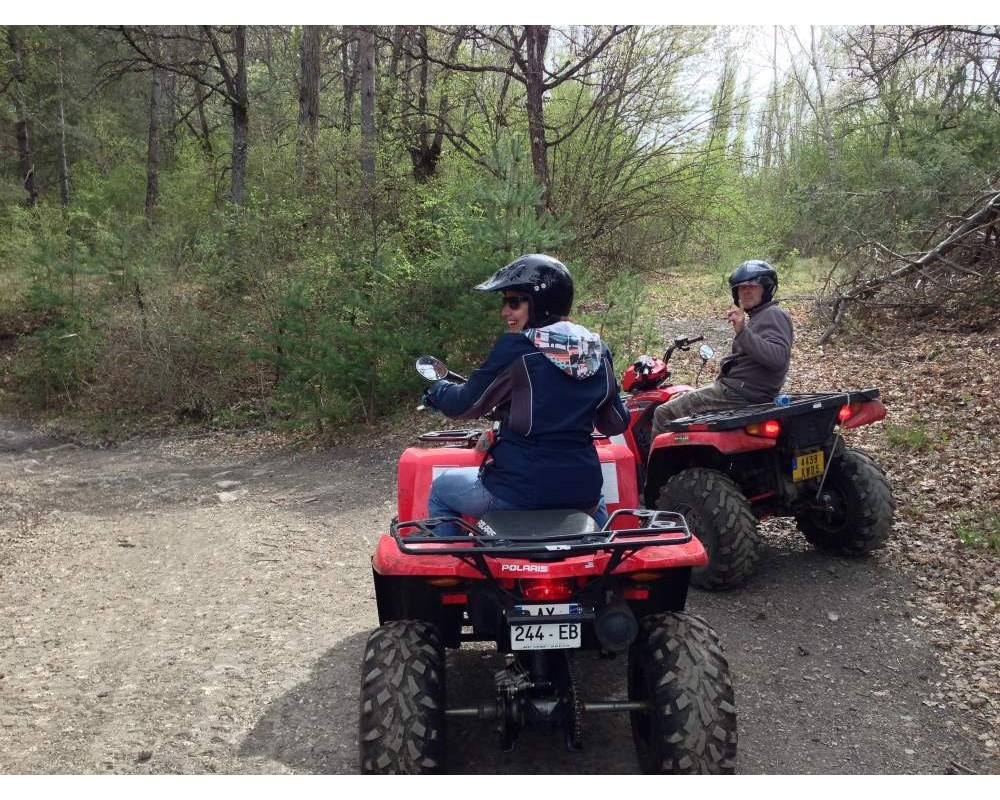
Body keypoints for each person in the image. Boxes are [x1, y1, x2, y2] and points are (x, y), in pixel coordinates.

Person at [422, 254, 630, 533]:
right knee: (595, 502)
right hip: (581, 490)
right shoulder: (597, 350)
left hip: (517, 491)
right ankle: (601, 561)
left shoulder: (517, 348)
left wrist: (439, 390)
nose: (504, 312)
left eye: (513, 302)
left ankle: (451, 569)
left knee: (441, 488)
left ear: (539, 303)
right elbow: (615, 422)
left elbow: (465, 404)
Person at [651, 259, 793, 435]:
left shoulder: (773, 315)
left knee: (664, 413)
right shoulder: (761, 316)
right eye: (741, 288)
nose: (746, 292)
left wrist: (742, 331)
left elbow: (778, 358)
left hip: (739, 394)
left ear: (766, 288)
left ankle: (659, 463)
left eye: (752, 286)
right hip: (740, 390)